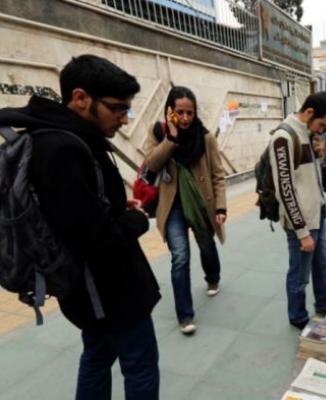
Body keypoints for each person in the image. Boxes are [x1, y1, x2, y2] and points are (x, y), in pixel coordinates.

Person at [0, 55, 160, 399]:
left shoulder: (65, 137)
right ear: (80, 98)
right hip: (106, 289)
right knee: (140, 365)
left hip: (91, 290)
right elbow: (93, 236)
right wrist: (136, 219)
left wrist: (115, 208)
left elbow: (78, 212)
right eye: (117, 108)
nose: (123, 118)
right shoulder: (62, 149)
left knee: (98, 357)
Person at [144, 86, 227, 335]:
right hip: (172, 206)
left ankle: (212, 277)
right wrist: (170, 139)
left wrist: (220, 206)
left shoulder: (206, 138)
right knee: (180, 256)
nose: (185, 118)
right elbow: (151, 164)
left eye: (190, 112)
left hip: (201, 203)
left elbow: (218, 174)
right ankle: (185, 314)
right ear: (170, 111)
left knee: (206, 245)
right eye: (180, 112)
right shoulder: (158, 133)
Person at [269, 92, 326, 329]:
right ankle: (298, 317)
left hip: (317, 214)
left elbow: (308, 177)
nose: (322, 130)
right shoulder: (283, 137)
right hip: (302, 221)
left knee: (321, 265)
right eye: (322, 125)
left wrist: (320, 152)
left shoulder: (308, 133)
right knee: (300, 275)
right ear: (309, 113)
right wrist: (301, 232)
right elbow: (285, 189)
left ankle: (325, 305)